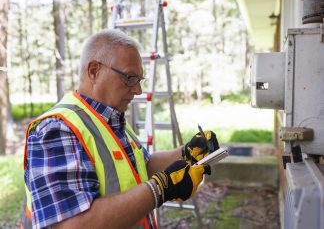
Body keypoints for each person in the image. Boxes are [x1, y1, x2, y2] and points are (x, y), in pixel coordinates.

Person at [21, 29, 219, 229]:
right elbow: (71, 224)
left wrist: (185, 153)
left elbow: (142, 167)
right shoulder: (57, 128)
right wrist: (159, 190)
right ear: (94, 71)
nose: (138, 90)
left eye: (139, 80)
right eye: (130, 77)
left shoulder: (109, 118)